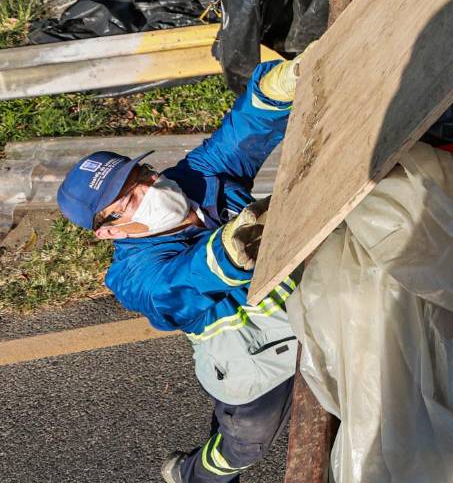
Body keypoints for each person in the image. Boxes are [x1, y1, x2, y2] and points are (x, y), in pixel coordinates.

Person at [55, 56, 304, 482]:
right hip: (253, 365)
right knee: (244, 446)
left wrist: (274, 90)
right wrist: (223, 255)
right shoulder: (133, 274)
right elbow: (169, 290)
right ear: (108, 232)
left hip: (308, 314)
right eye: (129, 198)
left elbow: (239, 138)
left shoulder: (196, 180)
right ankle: (193, 475)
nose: (153, 188)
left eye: (142, 175)